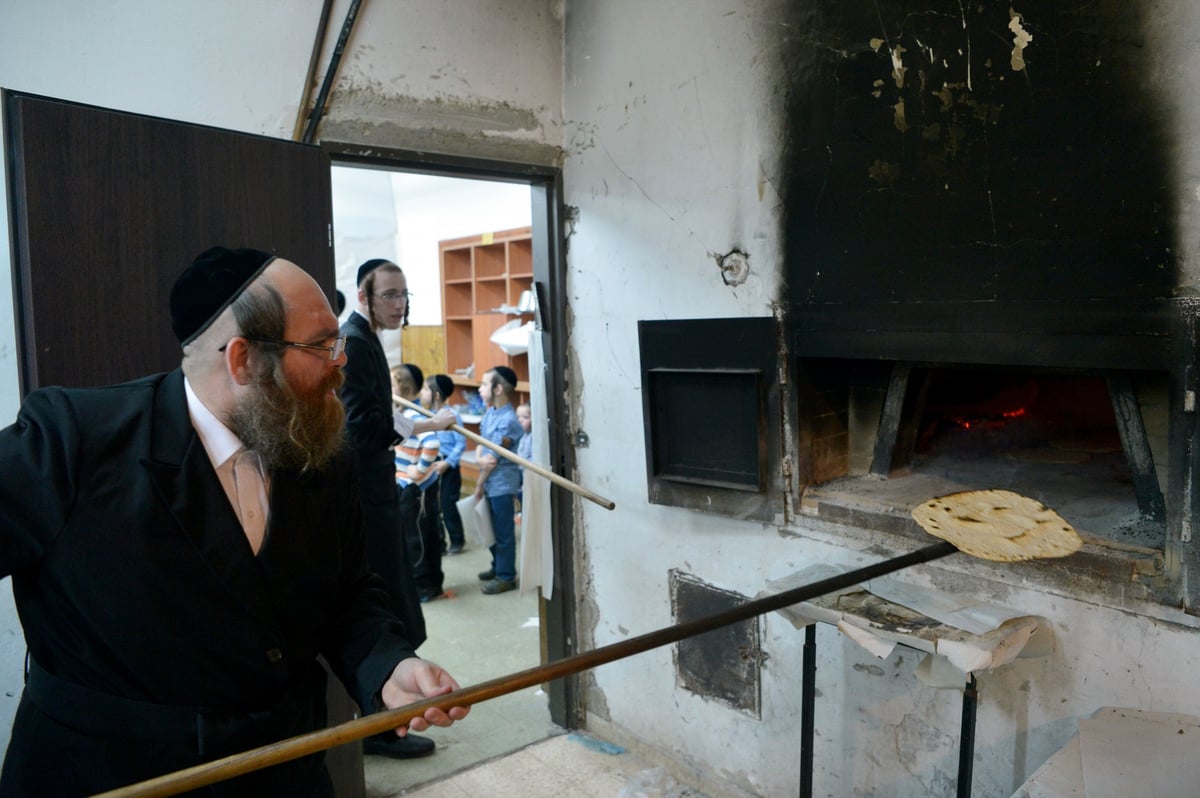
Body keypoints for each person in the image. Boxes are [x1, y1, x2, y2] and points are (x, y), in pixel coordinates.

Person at [0, 246, 468, 796]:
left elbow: (347, 591)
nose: (341, 361)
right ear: (243, 358)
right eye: (320, 345)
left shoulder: (320, 444)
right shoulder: (75, 440)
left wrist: (387, 666)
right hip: (114, 775)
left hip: (284, 769)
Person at [340, 258, 455, 759]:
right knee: (385, 602)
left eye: (404, 294)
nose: (399, 304)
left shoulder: (367, 342)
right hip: (367, 496)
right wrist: (430, 428)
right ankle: (381, 726)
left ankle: (386, 720)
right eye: (389, 294)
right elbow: (362, 427)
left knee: (394, 597)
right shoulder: (357, 342)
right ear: (363, 296)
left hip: (375, 491)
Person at [391, 364, 448, 603]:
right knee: (423, 534)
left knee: (416, 538)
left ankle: (423, 585)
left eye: (392, 384)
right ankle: (431, 582)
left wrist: (419, 470)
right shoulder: (404, 412)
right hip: (412, 486)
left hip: (414, 489)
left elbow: (432, 443)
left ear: (403, 387)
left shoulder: (412, 414)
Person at [473, 366, 525, 595]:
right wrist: (479, 460)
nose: (480, 388)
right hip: (490, 482)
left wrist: (479, 483)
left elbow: (491, 460)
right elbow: (480, 448)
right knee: (491, 529)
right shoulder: (491, 412)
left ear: (498, 388)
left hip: (501, 484)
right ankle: (498, 567)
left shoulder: (508, 421)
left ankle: (506, 576)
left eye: (484, 384)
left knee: (504, 533)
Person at [423, 373, 468, 555]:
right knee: (434, 506)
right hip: (432, 465)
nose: (422, 392)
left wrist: (448, 463)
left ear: (436, 395)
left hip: (449, 468)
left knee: (449, 505)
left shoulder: (452, 415)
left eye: (426, 389)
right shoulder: (426, 414)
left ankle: (457, 540)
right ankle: (439, 543)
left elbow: (461, 442)